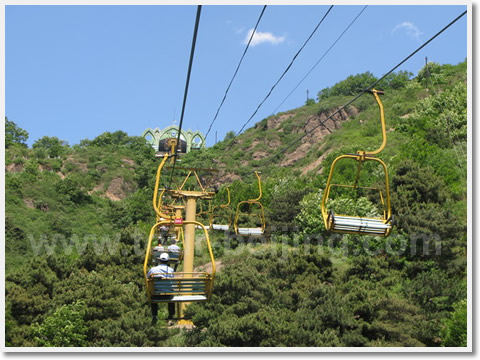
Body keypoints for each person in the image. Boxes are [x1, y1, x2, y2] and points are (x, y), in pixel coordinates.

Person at [148, 253, 176, 323]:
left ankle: (154, 316)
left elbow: (147, 277)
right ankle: (171, 316)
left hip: (156, 295)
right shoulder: (170, 270)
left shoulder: (153, 269)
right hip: (168, 296)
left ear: (159, 260)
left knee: (152, 294)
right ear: (167, 261)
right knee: (170, 294)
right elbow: (172, 279)